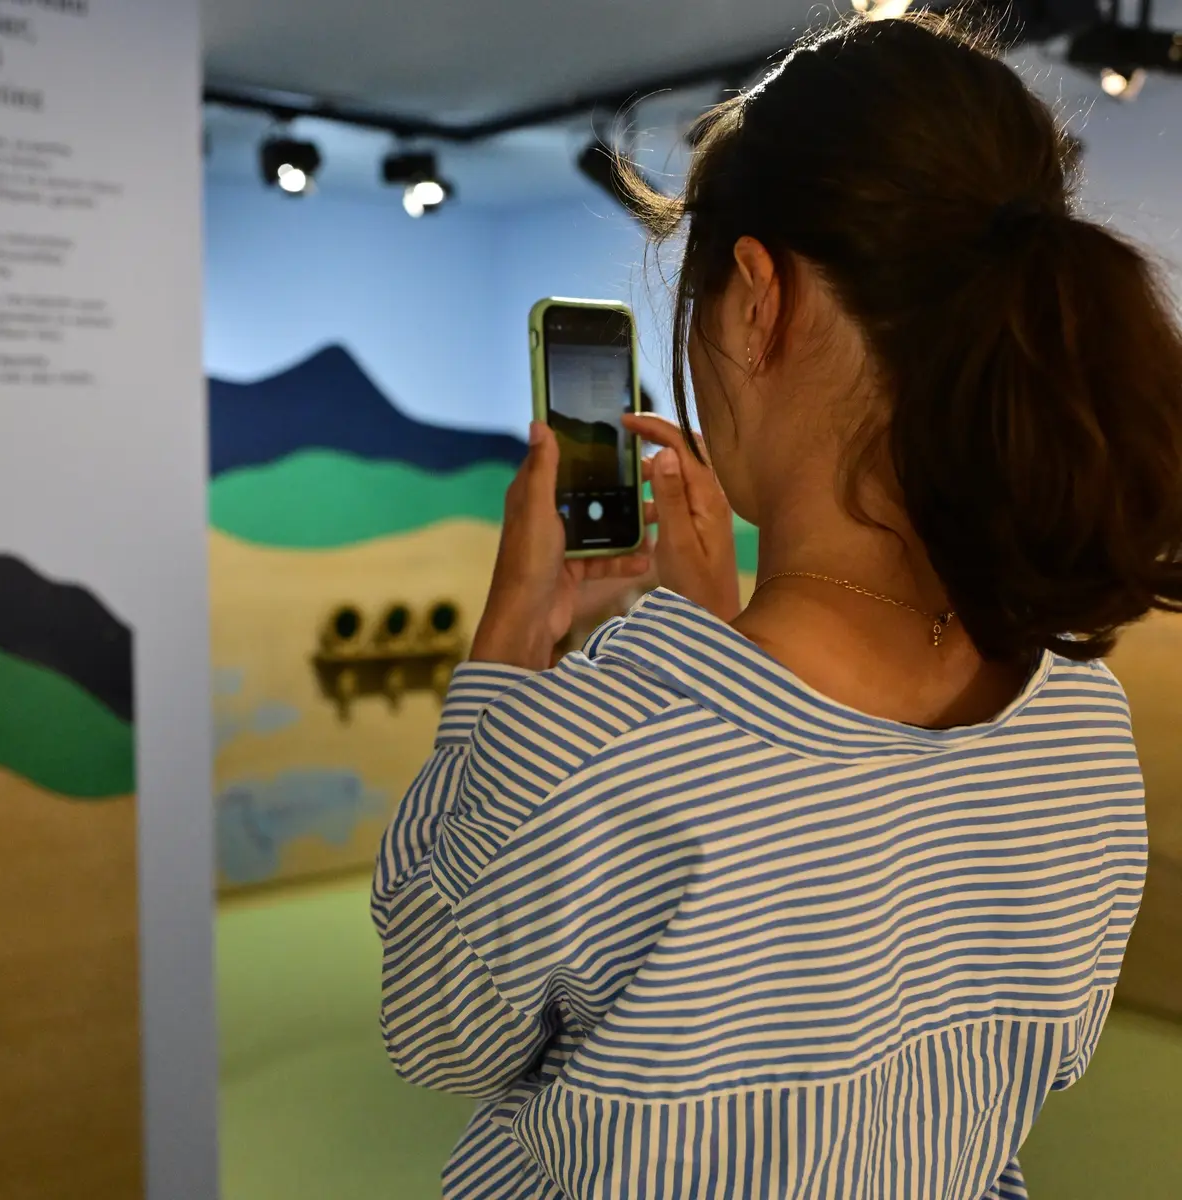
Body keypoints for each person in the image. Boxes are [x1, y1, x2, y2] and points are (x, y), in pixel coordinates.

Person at [371, 13, 1181, 1198]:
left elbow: (436, 1022)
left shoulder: (607, 742)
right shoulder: (1082, 728)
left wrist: (508, 659)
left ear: (758, 297)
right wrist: (719, 638)